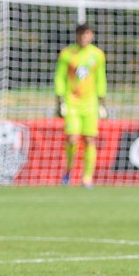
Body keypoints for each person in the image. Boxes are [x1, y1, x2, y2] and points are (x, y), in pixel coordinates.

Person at [54, 23, 107, 188]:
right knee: (72, 138)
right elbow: (60, 77)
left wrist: (102, 101)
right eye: (82, 34)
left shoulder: (97, 55)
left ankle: (87, 177)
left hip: (90, 102)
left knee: (89, 139)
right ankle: (68, 172)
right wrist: (60, 100)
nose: (84, 37)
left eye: (88, 34)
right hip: (72, 101)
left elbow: (100, 78)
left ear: (91, 36)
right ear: (77, 35)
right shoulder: (67, 54)